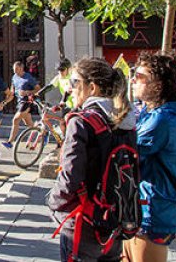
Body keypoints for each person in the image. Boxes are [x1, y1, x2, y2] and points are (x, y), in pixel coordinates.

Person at [46, 57, 136, 262]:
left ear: (92, 88)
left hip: (83, 220)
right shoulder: (126, 120)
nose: (70, 88)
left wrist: (53, 201)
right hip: (115, 217)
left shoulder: (81, 121)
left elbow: (70, 176)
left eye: (74, 82)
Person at [126, 53, 176, 262]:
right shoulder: (154, 111)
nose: (133, 80)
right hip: (146, 203)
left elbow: (128, 152)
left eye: (140, 76)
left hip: (154, 206)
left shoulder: (162, 119)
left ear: (158, 86)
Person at [4, 60, 39, 149]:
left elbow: (38, 89)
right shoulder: (14, 77)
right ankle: (42, 134)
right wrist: (5, 101)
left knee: (15, 120)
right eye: (14, 70)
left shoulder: (28, 78)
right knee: (29, 124)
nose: (15, 71)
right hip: (19, 102)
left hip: (27, 102)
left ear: (21, 68)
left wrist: (27, 92)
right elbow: (12, 91)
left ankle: (10, 142)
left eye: (17, 69)